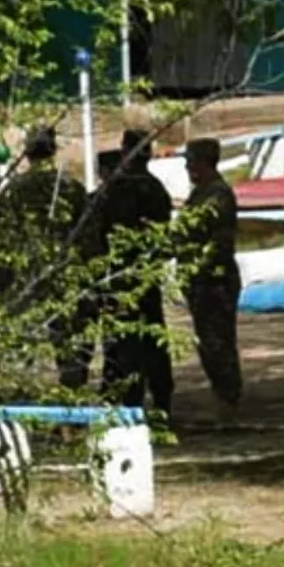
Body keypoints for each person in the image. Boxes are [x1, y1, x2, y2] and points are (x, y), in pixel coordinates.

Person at [0, 125, 91, 389]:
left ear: (27, 152)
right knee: (71, 349)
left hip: (26, 280)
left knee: (21, 349)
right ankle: (73, 399)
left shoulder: (13, 191)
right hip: (67, 278)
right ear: (53, 150)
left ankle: (20, 395)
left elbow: (2, 244)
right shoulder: (72, 188)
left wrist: (0, 285)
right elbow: (89, 239)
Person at [97, 133, 174, 418]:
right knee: (154, 341)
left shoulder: (113, 192)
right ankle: (162, 402)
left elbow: (96, 237)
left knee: (124, 346)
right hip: (147, 277)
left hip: (118, 278)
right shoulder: (157, 190)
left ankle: (130, 405)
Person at [180, 138, 242, 422]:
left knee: (218, 343)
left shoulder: (216, 195)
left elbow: (215, 243)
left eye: (191, 161)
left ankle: (227, 400)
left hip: (214, 280)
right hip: (202, 279)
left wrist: (198, 268)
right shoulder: (201, 193)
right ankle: (223, 396)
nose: (187, 167)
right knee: (208, 341)